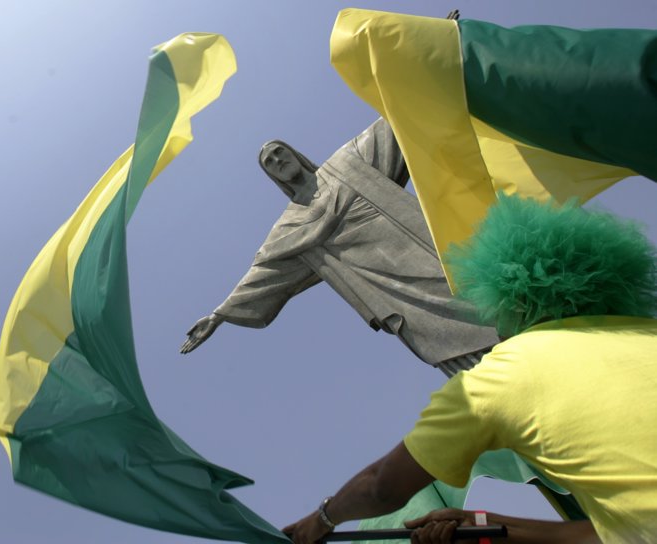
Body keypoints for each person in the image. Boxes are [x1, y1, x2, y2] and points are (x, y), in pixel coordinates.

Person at [283, 194, 657, 544]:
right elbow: (605, 534)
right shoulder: (646, 335)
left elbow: (382, 485)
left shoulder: (501, 376)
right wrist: (486, 523)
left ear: (517, 297)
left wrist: (322, 519)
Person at [180, 118, 498, 374]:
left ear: (293, 153)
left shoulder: (349, 163)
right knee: (457, 348)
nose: (278, 160)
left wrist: (407, 75)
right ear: (272, 176)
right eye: (270, 162)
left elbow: (395, 122)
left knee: (493, 300)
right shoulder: (288, 227)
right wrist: (218, 315)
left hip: (427, 251)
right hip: (390, 286)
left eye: (279, 152)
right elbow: (263, 273)